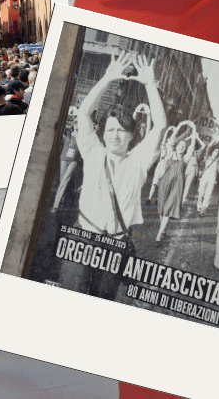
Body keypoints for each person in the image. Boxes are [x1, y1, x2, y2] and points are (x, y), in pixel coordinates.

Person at [63, 51, 165, 300]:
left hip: (115, 247)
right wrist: (107, 78)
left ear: (132, 136)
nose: (115, 135)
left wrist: (150, 85)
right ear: (104, 133)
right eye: (110, 129)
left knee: (104, 302)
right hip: (83, 239)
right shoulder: (93, 152)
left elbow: (161, 125)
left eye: (122, 130)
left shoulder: (139, 162)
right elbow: (84, 113)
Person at [154, 138, 195, 244]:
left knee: (167, 209)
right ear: (176, 146)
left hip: (176, 187)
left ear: (185, 149)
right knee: (162, 209)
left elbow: (192, 146)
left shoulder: (185, 159)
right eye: (180, 145)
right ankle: (163, 230)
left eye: (184, 146)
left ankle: (158, 235)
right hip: (164, 183)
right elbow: (172, 137)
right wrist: (180, 125)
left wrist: (193, 130)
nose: (182, 147)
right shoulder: (170, 154)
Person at [196, 144, 219, 215]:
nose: (216, 152)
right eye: (215, 151)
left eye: (218, 151)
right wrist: (214, 141)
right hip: (204, 177)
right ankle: (199, 206)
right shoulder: (208, 157)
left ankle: (203, 209)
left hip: (212, 178)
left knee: (208, 194)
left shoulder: (217, 160)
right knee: (201, 193)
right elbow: (208, 148)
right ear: (212, 151)